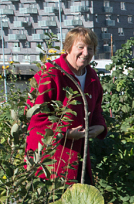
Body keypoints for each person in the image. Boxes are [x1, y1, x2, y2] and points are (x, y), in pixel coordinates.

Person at [26, 27, 107, 183]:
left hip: (79, 154)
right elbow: (36, 115)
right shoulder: (50, 73)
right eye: (81, 47)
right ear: (68, 48)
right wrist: (65, 132)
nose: (85, 53)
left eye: (90, 48)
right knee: (53, 201)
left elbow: (96, 108)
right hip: (50, 156)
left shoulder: (91, 76)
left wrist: (100, 126)